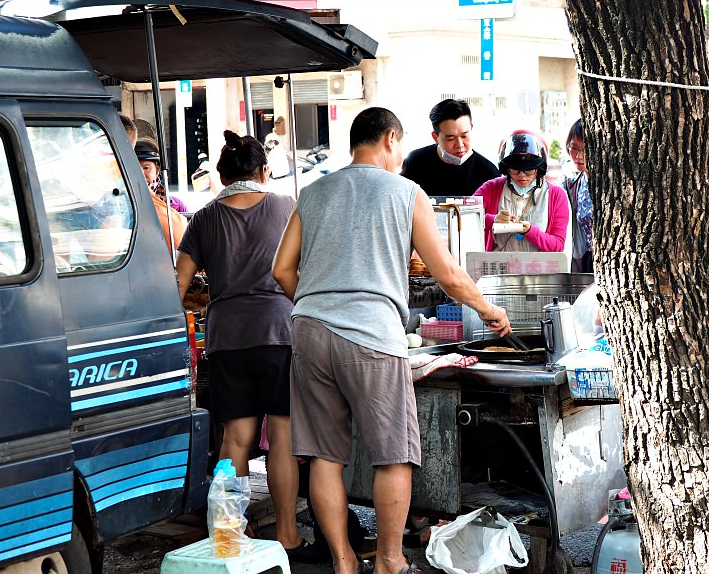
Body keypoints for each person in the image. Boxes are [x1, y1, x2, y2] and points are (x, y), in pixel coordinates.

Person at [273, 107, 511, 574]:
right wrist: (489, 310)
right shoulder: (407, 192)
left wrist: (318, 303)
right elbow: (446, 273)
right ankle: (389, 561)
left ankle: (343, 563)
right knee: (393, 455)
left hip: (309, 329)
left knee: (325, 455)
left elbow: (281, 270)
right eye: (398, 146)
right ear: (389, 139)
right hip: (371, 334)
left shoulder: (314, 191)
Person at [175, 131, 311, 559]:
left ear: (221, 175)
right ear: (263, 171)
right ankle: (287, 534)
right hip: (278, 332)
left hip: (227, 337)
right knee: (283, 436)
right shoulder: (287, 207)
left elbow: (177, 284)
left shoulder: (203, 217)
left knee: (236, 438)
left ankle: (231, 534)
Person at [473, 130, 571, 260]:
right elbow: (467, 217)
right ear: (506, 168)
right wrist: (493, 219)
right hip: (500, 268)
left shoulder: (556, 195)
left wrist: (530, 231)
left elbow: (557, 245)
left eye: (529, 170)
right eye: (515, 169)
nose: (521, 175)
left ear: (539, 168)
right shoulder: (491, 188)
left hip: (538, 271)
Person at [400, 98, 499, 197]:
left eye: (464, 135)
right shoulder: (414, 163)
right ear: (435, 137)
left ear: (471, 128)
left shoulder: (489, 173)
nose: (460, 145)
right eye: (450, 138)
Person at [562, 119, 593, 272]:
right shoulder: (573, 185)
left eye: (586, 149)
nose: (579, 156)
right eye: (574, 148)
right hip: (586, 262)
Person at [135, 139, 189, 213]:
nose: (140, 175)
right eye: (134, 168)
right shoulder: (120, 203)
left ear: (157, 169)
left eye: (146, 168)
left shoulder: (177, 207)